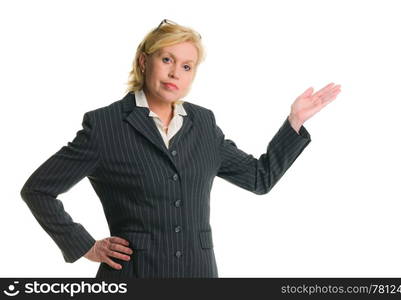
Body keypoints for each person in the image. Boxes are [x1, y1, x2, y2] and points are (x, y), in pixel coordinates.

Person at [20, 19, 342, 278]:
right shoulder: (105, 126)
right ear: (144, 61)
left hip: (199, 276)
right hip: (135, 275)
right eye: (167, 59)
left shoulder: (203, 124)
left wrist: (294, 121)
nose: (176, 73)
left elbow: (260, 178)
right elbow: (38, 190)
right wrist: (86, 246)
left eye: (187, 66)